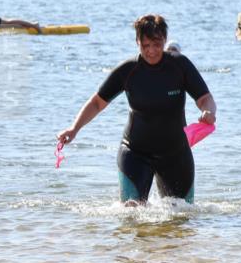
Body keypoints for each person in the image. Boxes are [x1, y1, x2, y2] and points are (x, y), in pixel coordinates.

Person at [57, 15, 217, 205]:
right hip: (135, 152)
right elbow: (97, 103)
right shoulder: (128, 71)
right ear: (137, 42)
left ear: (165, 40)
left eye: (157, 45)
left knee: (181, 214)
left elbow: (205, 98)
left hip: (176, 153)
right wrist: (74, 128)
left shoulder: (179, 66)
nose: (151, 51)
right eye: (146, 45)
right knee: (131, 213)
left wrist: (209, 112)